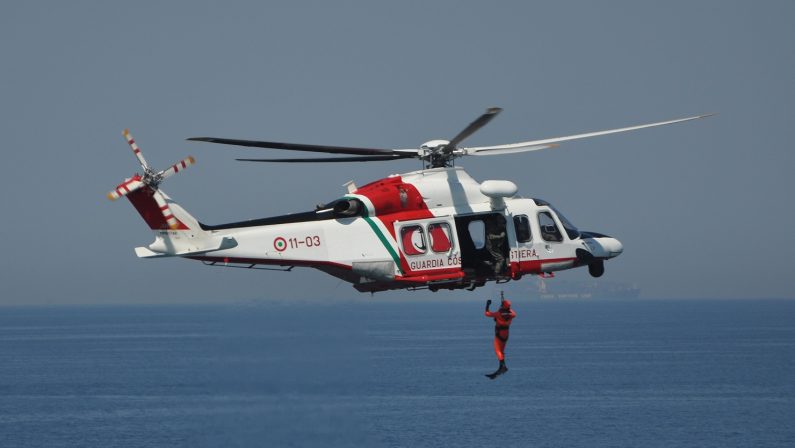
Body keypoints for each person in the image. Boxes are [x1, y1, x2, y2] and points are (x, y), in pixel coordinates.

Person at [484, 292, 516, 379]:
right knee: (501, 350)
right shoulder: (512, 314)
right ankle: (502, 366)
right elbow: (511, 312)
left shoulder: (498, 314)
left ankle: (502, 366)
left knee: (497, 350)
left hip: (499, 333)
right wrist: (505, 307)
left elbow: (487, 313)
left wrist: (487, 305)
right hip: (506, 334)